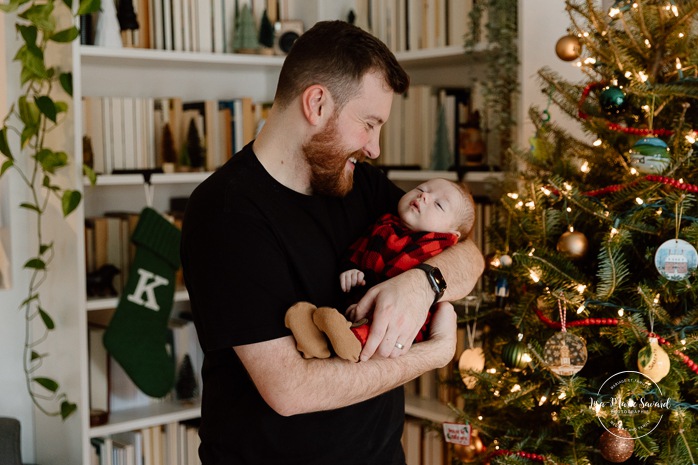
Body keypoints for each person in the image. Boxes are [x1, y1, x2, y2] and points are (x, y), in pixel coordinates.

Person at [180, 20, 484, 465]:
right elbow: (290, 390)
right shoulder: (226, 212)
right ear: (317, 103)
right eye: (369, 123)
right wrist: (430, 356)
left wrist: (422, 284)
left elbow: (470, 255)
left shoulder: (358, 184)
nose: (375, 148)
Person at [285, 178, 476, 362]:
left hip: (400, 324)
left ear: (452, 235)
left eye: (439, 205)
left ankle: (350, 341)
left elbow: (471, 259)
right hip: (360, 301)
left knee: (379, 327)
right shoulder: (385, 224)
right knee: (341, 318)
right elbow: (359, 249)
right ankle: (318, 340)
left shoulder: (436, 245)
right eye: (421, 189)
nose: (424, 196)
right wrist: (351, 268)